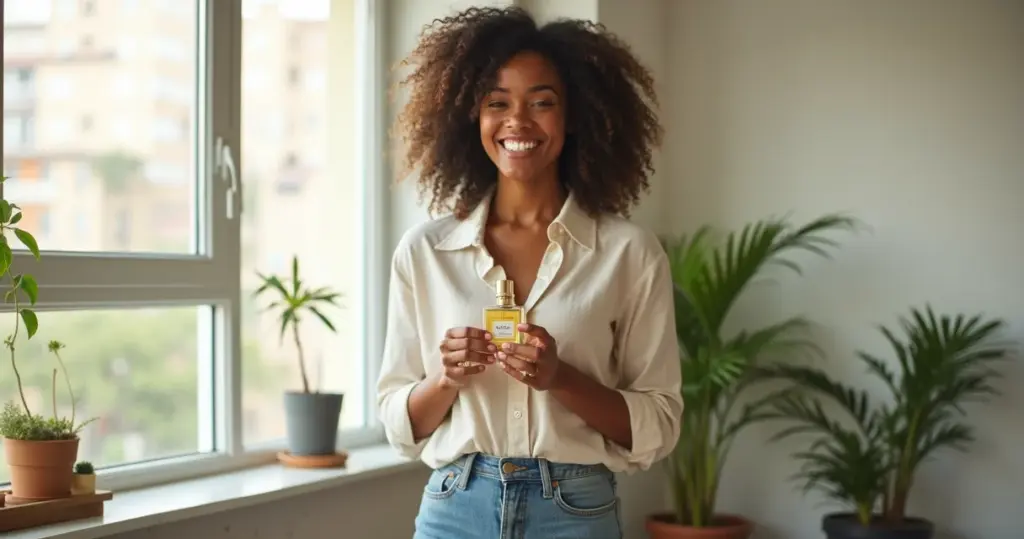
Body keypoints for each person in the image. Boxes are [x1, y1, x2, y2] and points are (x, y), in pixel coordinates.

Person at [376, 6, 682, 539]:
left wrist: (561, 378)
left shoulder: (629, 254)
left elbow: (658, 424)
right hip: (455, 510)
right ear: (472, 117)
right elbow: (400, 426)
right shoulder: (425, 252)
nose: (518, 121)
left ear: (574, 116)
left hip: (575, 513)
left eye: (542, 102)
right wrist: (445, 379)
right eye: (498, 102)